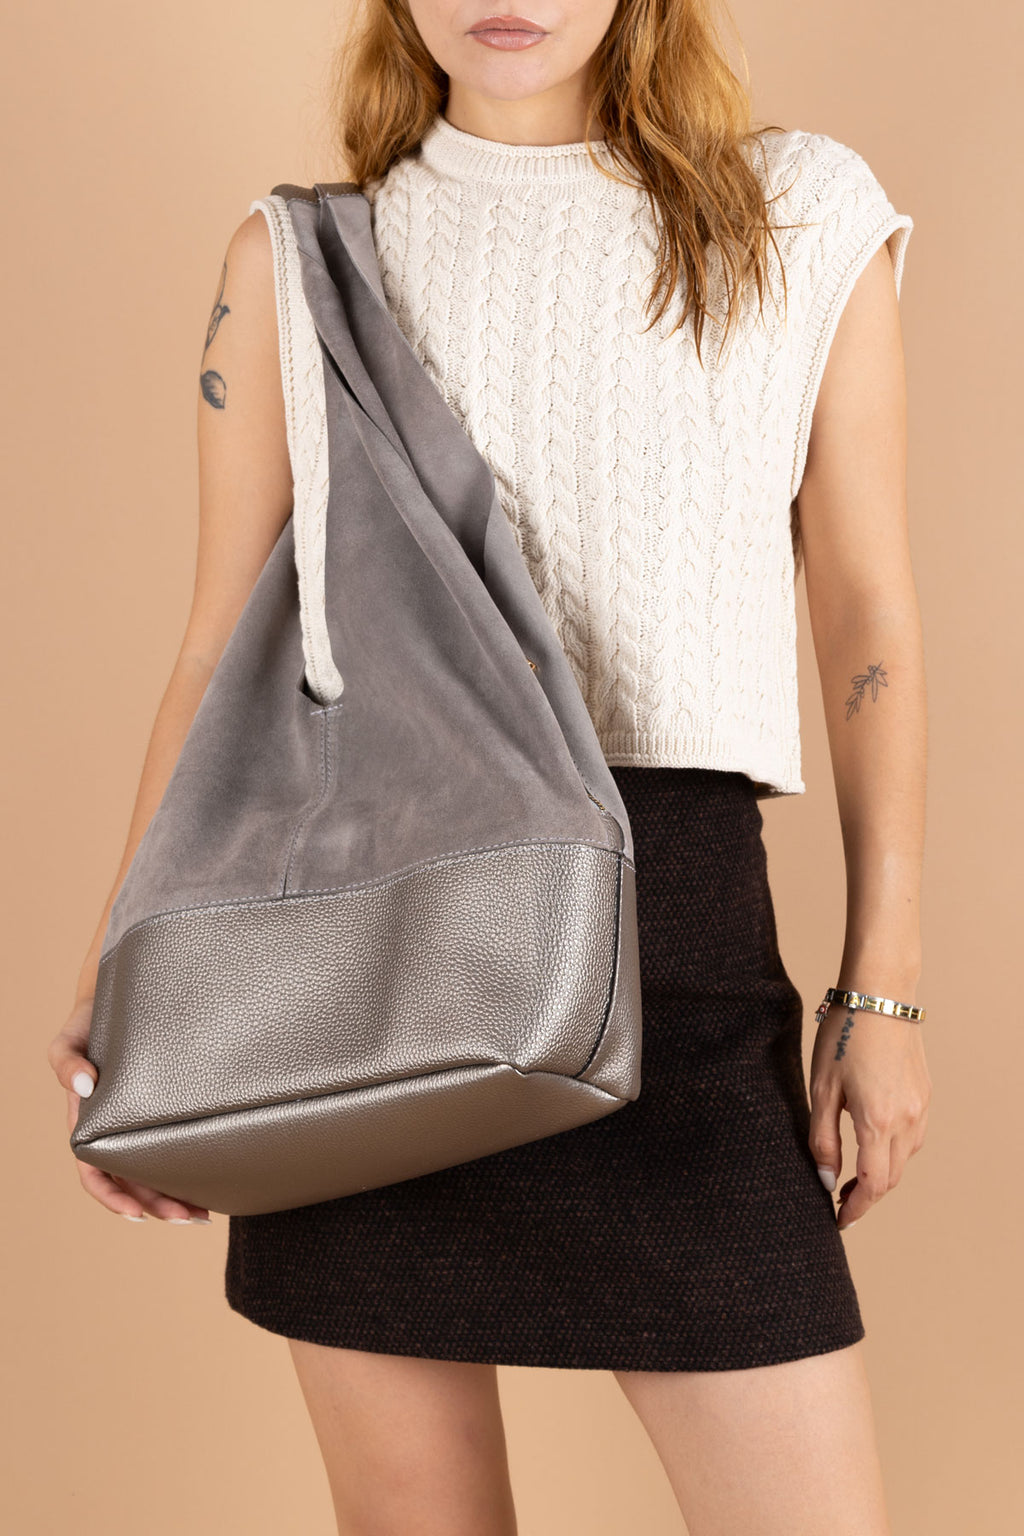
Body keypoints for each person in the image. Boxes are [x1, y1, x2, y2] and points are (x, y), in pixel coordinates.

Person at [48, 2, 932, 1532]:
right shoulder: (299, 261)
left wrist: (884, 989)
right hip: (364, 975)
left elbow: (868, 611)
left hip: (680, 960)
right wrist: (129, 973)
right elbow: (213, 648)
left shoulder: (799, 213)